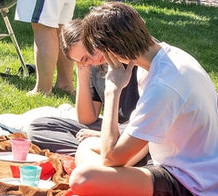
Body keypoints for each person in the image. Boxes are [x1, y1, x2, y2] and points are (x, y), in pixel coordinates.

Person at [68, 2, 218, 196]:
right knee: (87, 146)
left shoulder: (164, 83)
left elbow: (110, 159)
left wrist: (112, 90)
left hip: (194, 185)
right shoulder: (164, 58)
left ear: (111, 50)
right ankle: (117, 182)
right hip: (189, 165)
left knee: (82, 178)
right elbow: (136, 142)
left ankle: (115, 184)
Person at [25, 19, 140, 154]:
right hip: (112, 128)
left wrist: (100, 135)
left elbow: (153, 121)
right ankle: (94, 152)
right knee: (39, 127)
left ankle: (98, 152)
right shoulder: (95, 65)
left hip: (141, 133)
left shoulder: (132, 58)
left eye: (91, 49)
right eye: (84, 59)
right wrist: (83, 71)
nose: (94, 58)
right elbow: (87, 119)